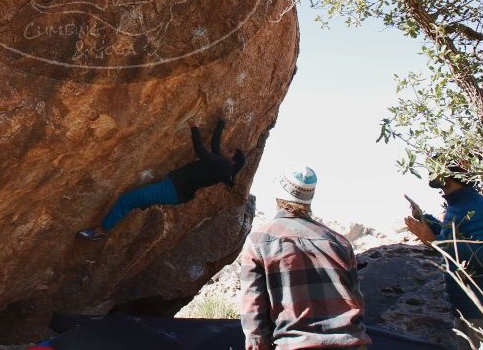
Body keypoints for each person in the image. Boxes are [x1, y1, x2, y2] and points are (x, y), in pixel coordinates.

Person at [238, 166, 371, 350]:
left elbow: (253, 313)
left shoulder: (260, 240)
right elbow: (356, 302)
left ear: (277, 195)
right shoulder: (340, 242)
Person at [77, 117, 246, 240]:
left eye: (230, 151)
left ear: (232, 161)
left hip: (172, 190)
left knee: (127, 199)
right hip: (175, 191)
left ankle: (100, 231)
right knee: (135, 200)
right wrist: (220, 124)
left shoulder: (224, 165)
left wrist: (194, 128)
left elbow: (201, 152)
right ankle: (136, 206)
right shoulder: (223, 168)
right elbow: (215, 147)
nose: (227, 150)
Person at [404, 165, 483, 350]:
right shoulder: (461, 205)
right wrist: (428, 223)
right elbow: (460, 238)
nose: (429, 169)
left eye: (435, 164)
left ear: (451, 171)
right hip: (471, 311)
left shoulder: (478, 208)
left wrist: (435, 241)